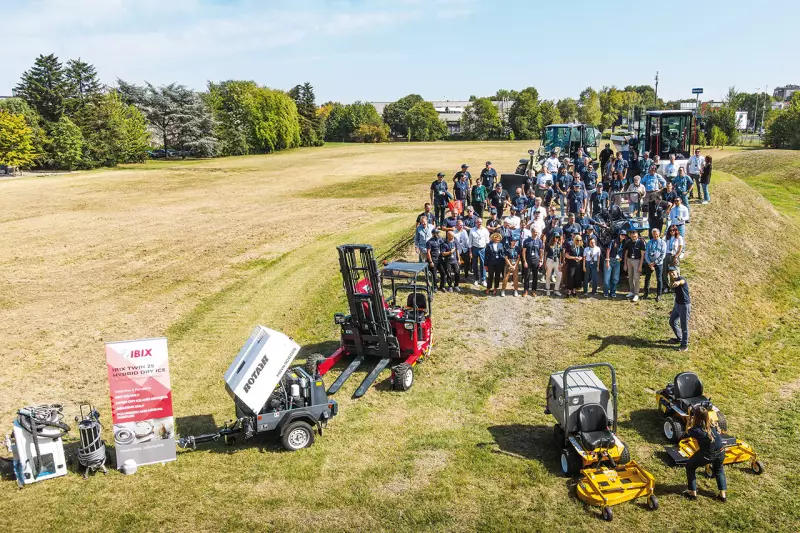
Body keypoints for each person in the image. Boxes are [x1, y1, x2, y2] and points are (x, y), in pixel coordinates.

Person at [684, 405, 727, 501]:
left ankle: (692, 493)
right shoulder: (712, 423)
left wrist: (689, 419)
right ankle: (722, 495)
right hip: (721, 452)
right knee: (719, 470)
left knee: (690, 466)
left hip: (707, 455)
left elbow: (687, 431)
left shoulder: (697, 430)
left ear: (696, 417)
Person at [668, 268, 691, 351]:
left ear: (677, 272)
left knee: (684, 326)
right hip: (677, 305)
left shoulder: (681, 279)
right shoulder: (673, 283)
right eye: (670, 273)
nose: (672, 274)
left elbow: (681, 282)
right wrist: (674, 309)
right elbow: (677, 296)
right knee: (672, 321)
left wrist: (678, 282)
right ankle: (679, 338)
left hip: (684, 306)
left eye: (673, 273)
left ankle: (684, 345)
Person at [643, 227, 666, 301]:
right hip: (649, 263)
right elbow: (646, 253)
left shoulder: (663, 243)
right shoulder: (649, 242)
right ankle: (645, 293)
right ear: (652, 234)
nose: (655, 236)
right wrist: (649, 263)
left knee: (659, 279)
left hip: (659, 263)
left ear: (659, 234)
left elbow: (663, 255)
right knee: (647, 278)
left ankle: (659, 295)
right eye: (654, 234)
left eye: (656, 234)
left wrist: (654, 263)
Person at [521, 229, 544, 297]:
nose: (536, 233)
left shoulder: (539, 241)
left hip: (536, 261)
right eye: (535, 232)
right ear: (532, 232)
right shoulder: (526, 241)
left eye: (537, 232)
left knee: (535, 277)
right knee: (526, 276)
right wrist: (524, 261)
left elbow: (541, 252)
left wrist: (540, 261)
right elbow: (523, 252)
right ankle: (526, 290)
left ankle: (534, 290)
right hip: (528, 261)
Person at [624, 229, 645, 301]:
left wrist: (640, 266)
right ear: (630, 235)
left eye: (635, 236)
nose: (634, 237)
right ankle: (631, 291)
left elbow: (642, 255)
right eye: (632, 236)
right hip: (629, 260)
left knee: (636, 278)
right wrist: (625, 264)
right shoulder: (628, 242)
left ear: (637, 235)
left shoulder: (641, 242)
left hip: (637, 261)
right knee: (630, 277)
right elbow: (626, 253)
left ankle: (636, 294)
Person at [604, 230, 626, 297]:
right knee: (607, 278)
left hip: (617, 261)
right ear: (619, 234)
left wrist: (621, 257)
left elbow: (621, 251)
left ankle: (613, 292)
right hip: (610, 260)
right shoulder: (613, 241)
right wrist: (607, 261)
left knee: (615, 278)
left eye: (624, 235)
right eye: (622, 234)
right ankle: (606, 292)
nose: (623, 236)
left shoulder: (623, 243)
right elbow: (608, 250)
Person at [470, 217, 490, 286]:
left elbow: (487, 241)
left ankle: (483, 279)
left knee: (483, 264)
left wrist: (487, 250)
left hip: (482, 249)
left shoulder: (485, 230)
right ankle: (476, 279)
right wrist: (470, 251)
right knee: (475, 265)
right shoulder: (472, 230)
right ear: (476, 223)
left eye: (480, 222)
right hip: (474, 248)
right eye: (478, 222)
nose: (479, 223)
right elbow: (470, 241)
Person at [544, 231, 564, 297]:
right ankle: (548, 289)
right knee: (548, 275)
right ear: (553, 237)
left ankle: (556, 289)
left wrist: (561, 263)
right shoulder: (548, 244)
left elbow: (561, 255)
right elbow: (545, 254)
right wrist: (544, 263)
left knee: (559, 275)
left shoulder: (559, 245)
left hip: (557, 261)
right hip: (549, 260)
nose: (557, 238)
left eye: (558, 237)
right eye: (556, 237)